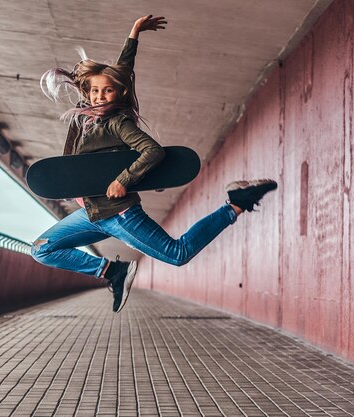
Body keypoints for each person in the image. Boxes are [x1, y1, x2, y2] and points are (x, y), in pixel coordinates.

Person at [31, 15, 277, 313]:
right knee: (42, 249)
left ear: (119, 93)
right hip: (93, 213)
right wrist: (134, 34)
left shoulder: (117, 123)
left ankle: (236, 203)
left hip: (119, 215)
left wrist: (123, 179)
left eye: (107, 91)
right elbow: (121, 71)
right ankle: (111, 272)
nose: (99, 96)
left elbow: (152, 151)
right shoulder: (89, 119)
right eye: (94, 91)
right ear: (87, 92)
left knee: (178, 254)